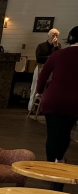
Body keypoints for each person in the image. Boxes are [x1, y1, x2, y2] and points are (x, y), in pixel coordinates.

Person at [35, 25, 78, 162]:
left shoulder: (57, 54)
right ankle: (59, 160)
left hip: (54, 99)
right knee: (65, 133)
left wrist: (39, 92)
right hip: (74, 101)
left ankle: (51, 164)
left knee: (53, 134)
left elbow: (43, 75)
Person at [29, 28, 60, 110]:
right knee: (36, 86)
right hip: (40, 67)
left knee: (49, 88)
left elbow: (58, 57)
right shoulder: (41, 45)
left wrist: (56, 46)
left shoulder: (57, 46)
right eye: (53, 35)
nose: (55, 37)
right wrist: (50, 58)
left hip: (52, 69)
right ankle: (31, 107)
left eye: (57, 35)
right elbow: (38, 58)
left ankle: (44, 108)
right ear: (48, 36)